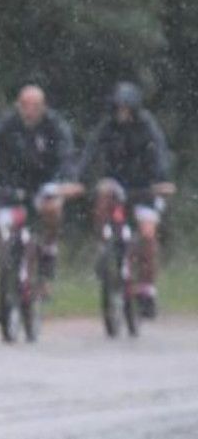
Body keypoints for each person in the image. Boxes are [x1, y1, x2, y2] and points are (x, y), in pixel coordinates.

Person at [75, 82, 177, 317]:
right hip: (118, 181)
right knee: (103, 196)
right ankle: (104, 244)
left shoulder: (147, 126)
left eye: (126, 108)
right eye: (119, 108)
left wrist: (162, 180)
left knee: (148, 234)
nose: (122, 113)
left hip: (146, 186)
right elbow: (91, 150)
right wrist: (79, 178)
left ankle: (147, 288)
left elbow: (160, 152)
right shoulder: (107, 126)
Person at [0, 85, 79, 291]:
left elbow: (65, 157)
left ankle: (49, 248)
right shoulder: (5, 127)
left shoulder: (55, 127)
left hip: (44, 184)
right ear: (17, 106)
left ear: (44, 107)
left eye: (35, 106)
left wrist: (66, 182)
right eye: (25, 105)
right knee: (5, 234)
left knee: (52, 209)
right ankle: (9, 283)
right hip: (12, 186)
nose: (29, 111)